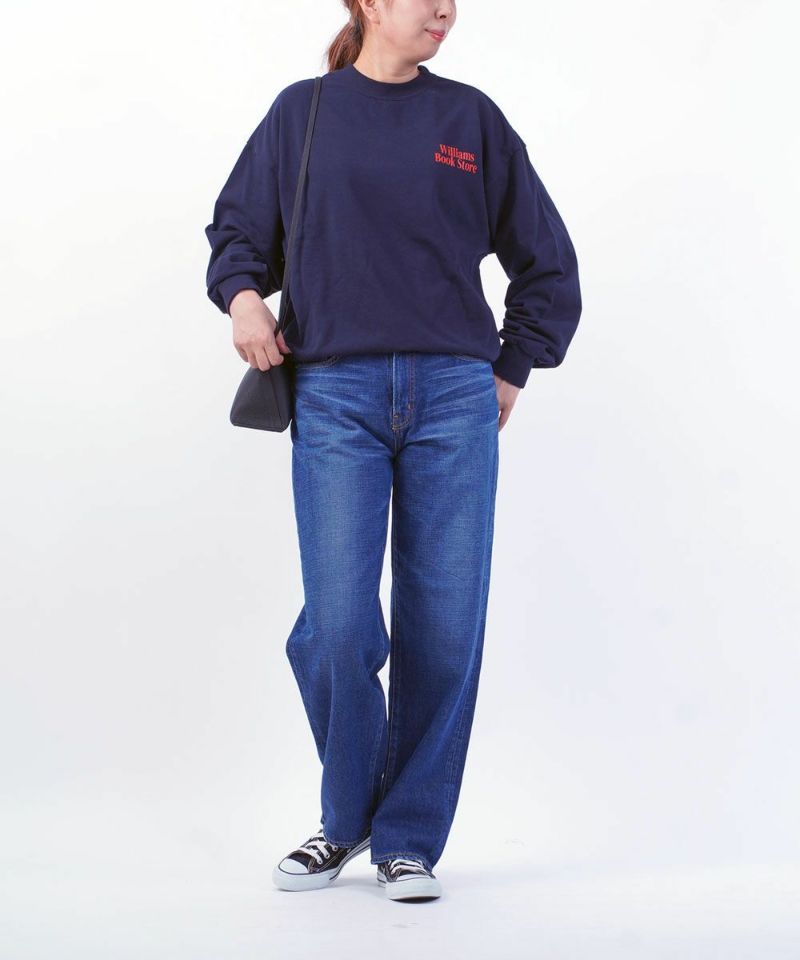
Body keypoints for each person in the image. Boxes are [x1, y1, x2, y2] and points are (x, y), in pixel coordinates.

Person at [204, 0, 582, 903]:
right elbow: (238, 234)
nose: (444, 9)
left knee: (444, 631)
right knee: (337, 628)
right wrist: (245, 300)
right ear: (368, 3)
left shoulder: (470, 120)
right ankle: (347, 818)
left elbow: (547, 260)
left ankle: (406, 840)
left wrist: (513, 365)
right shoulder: (303, 112)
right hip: (335, 394)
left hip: (455, 398)